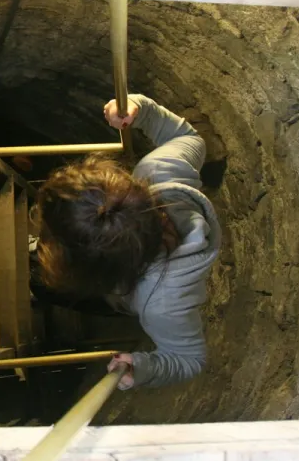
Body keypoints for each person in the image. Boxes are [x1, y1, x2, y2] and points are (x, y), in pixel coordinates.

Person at [31, 93, 220, 390]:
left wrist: (145, 367)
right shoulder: (160, 171)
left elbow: (189, 359)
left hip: (118, 296)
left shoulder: (163, 305)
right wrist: (138, 109)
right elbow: (187, 137)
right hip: (119, 281)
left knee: (42, 287)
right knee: (42, 281)